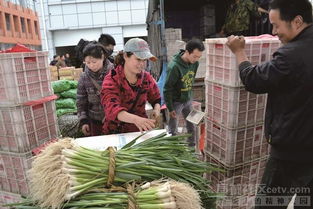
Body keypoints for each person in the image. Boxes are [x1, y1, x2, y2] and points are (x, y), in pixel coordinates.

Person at [226, 0, 313, 208]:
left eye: (276, 25)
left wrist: (239, 52)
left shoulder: (290, 55)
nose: (274, 32)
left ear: (297, 21)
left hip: (291, 151)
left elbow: (254, 80)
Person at [101, 38, 161, 134]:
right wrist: (136, 120)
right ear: (125, 56)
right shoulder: (112, 79)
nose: (141, 64)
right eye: (138, 59)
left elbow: (156, 98)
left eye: (144, 60)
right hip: (115, 133)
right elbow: (112, 109)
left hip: (140, 132)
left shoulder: (146, 78)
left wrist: (156, 110)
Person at [163, 39, 205, 147]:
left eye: (198, 57)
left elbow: (190, 80)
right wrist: (170, 107)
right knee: (173, 129)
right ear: (187, 52)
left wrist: (189, 95)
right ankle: (174, 149)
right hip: (176, 101)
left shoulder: (195, 64)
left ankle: (192, 147)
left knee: (192, 125)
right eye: (194, 56)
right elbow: (167, 88)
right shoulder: (174, 67)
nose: (196, 59)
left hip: (188, 99)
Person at [76, 42, 114, 136]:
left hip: (115, 121)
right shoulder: (84, 77)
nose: (91, 65)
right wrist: (84, 121)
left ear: (103, 57)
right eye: (88, 62)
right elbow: (81, 101)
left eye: (94, 62)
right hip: (94, 122)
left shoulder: (114, 73)